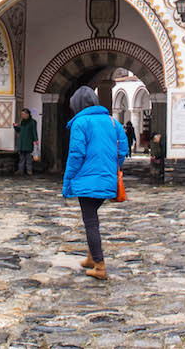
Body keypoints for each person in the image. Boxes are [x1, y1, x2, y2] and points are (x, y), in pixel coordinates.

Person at [62, 86, 128, 281]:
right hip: (107, 179)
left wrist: (68, 181)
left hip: (86, 180)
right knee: (92, 217)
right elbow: (123, 149)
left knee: (90, 222)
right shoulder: (112, 122)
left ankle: (99, 265)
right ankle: (92, 258)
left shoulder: (80, 122)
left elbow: (76, 154)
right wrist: (112, 166)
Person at [13, 108, 38, 176]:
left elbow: (34, 131)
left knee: (28, 157)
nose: (22, 115)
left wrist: (36, 140)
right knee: (21, 157)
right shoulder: (22, 122)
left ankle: (29, 170)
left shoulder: (32, 122)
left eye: (24, 114)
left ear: (27, 114)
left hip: (28, 141)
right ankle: (20, 170)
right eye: (22, 114)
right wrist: (15, 127)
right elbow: (20, 130)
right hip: (22, 142)